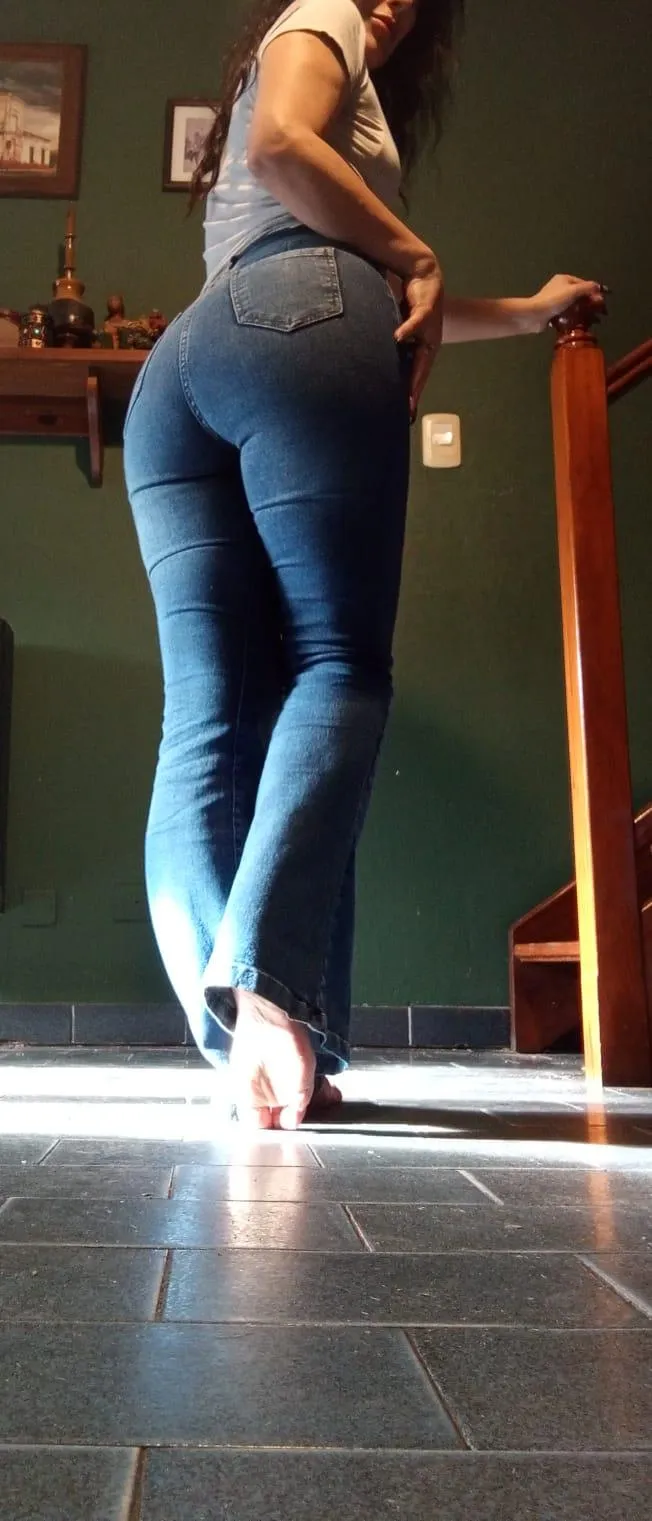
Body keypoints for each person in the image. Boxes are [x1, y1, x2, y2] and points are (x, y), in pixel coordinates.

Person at [123, 0, 604, 1129]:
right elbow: (283, 154)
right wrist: (415, 250)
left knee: (204, 714)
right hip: (298, 323)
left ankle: (249, 1041)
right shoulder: (322, 14)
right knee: (337, 666)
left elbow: (385, 307)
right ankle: (270, 995)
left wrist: (525, 312)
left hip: (182, 373)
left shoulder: (328, 75)